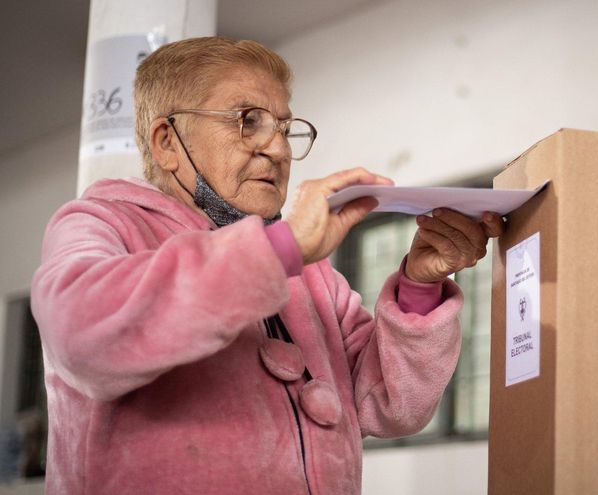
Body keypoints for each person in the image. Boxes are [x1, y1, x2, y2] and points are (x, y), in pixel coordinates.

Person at [31, 36, 503, 495]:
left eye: (284, 127)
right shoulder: (100, 223)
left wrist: (419, 287)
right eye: (246, 120)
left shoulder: (314, 276)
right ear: (167, 142)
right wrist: (280, 252)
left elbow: (389, 406)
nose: (277, 150)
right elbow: (82, 335)